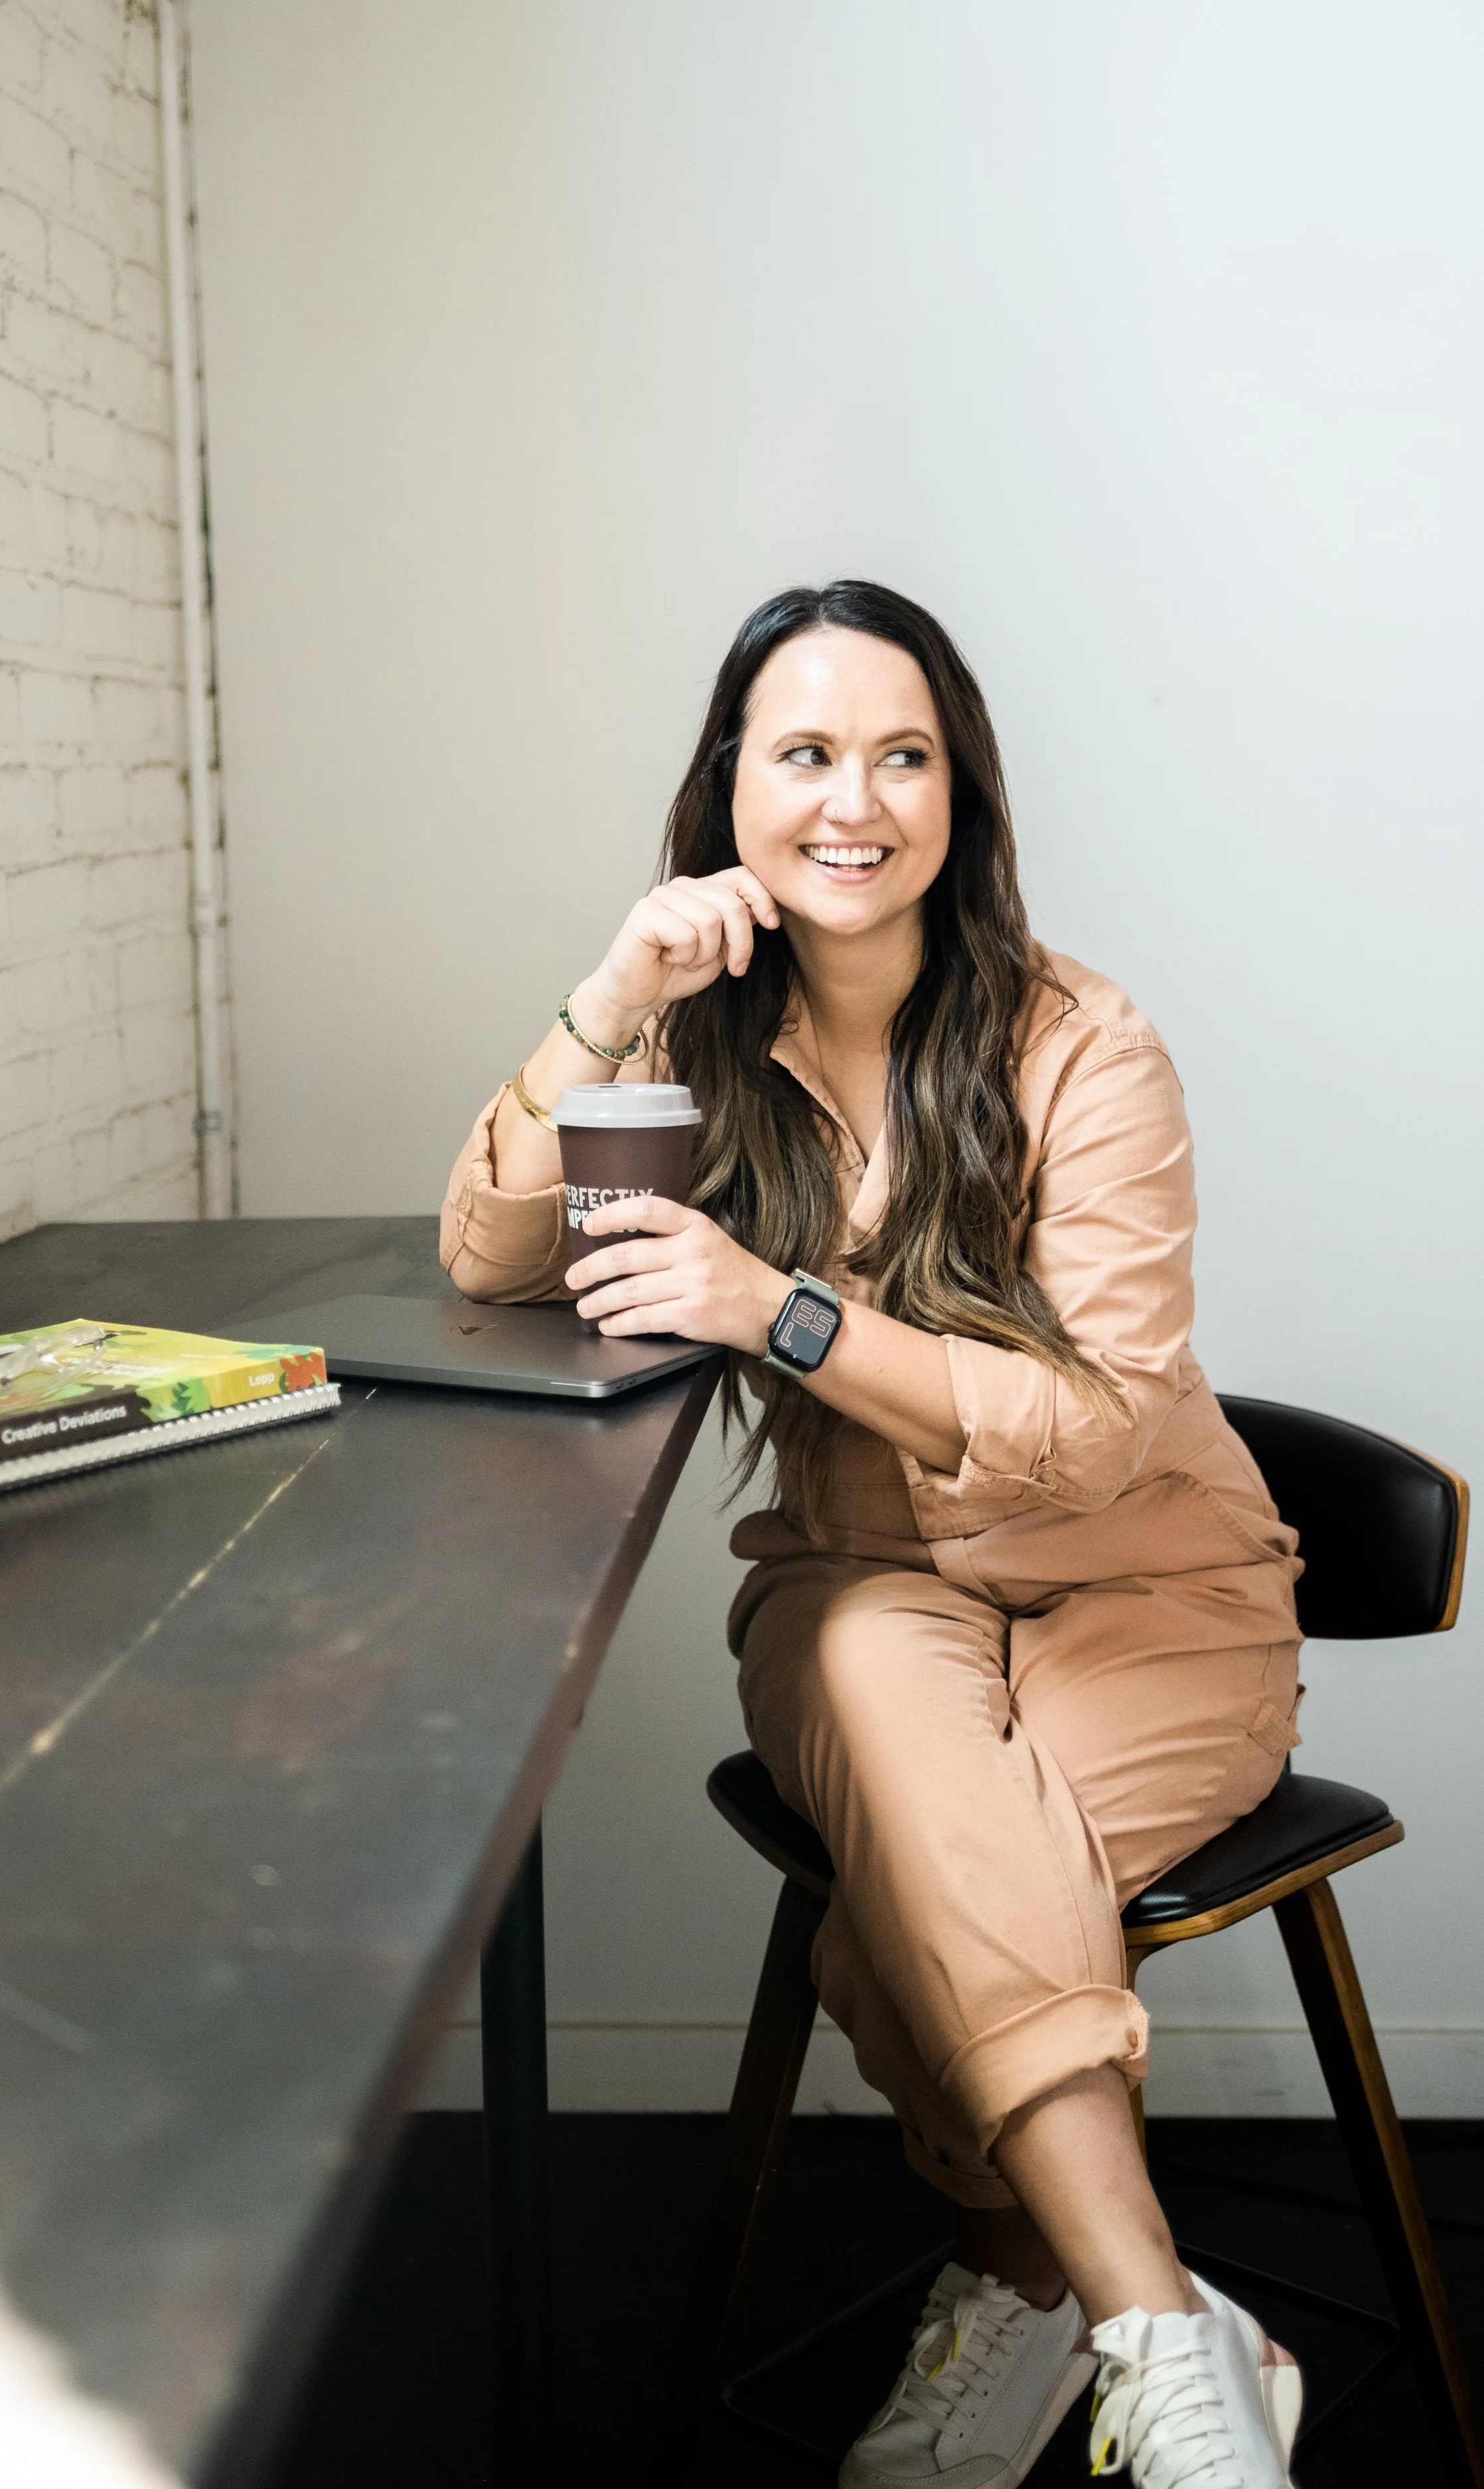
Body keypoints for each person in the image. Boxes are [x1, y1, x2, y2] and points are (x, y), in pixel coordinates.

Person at [440, 581, 1305, 2488]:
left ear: (958, 792)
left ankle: (1027, 2294)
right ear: (729, 792)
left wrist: (780, 1307)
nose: (855, 798)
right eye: (805, 752)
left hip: (1152, 1596)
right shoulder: (691, 1042)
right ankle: (1173, 2331)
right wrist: (606, 994)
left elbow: (1091, 1433)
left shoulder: (1088, 1046)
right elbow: (489, 1261)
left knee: (933, 1872)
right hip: (869, 1585)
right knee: (924, 1775)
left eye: (900, 753)